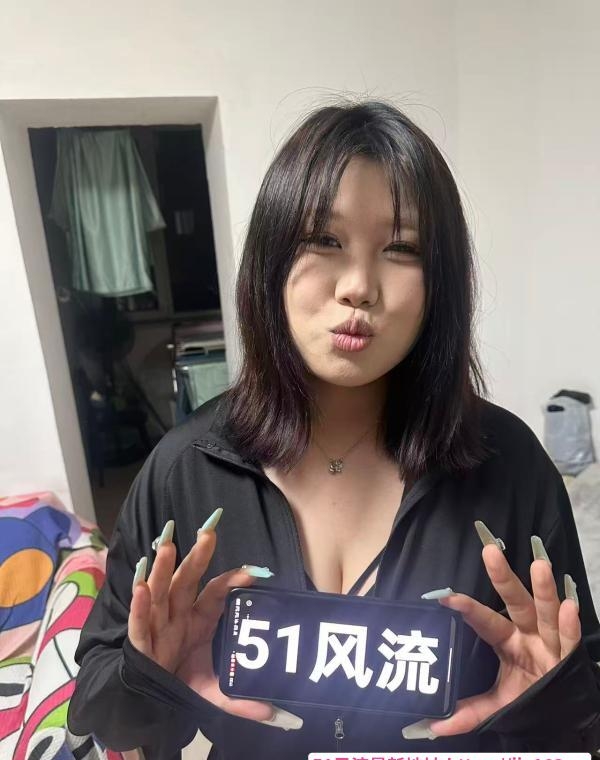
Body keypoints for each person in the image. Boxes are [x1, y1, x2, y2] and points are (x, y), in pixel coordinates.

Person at [68, 99, 600, 760]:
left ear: (441, 283)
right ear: (271, 257)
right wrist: (155, 681)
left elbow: (583, 703)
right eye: (324, 239)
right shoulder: (187, 467)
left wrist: (546, 703)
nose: (358, 287)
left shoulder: (508, 463)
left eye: (401, 248)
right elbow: (101, 708)